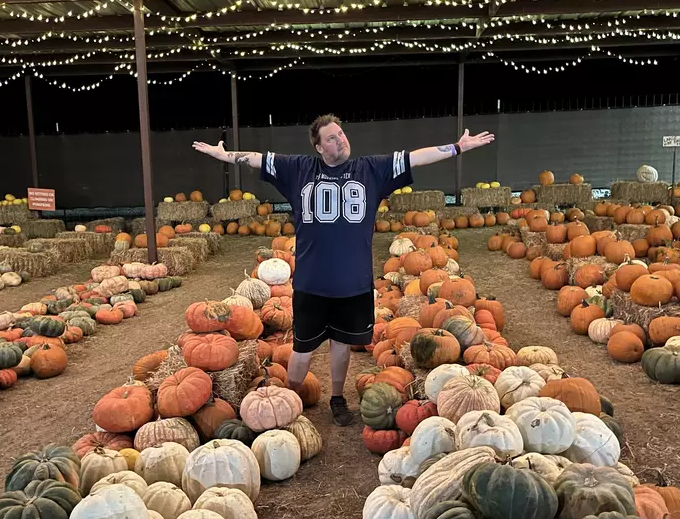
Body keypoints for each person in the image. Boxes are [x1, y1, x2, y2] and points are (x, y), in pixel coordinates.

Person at [193, 114, 495, 425]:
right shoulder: (300, 169)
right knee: (302, 348)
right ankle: (289, 399)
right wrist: (224, 155)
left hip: (354, 283)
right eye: (332, 138)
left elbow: (415, 158)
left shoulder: (370, 169)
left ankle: (337, 398)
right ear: (319, 147)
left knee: (342, 344)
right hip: (311, 283)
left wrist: (458, 147)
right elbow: (257, 159)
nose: (341, 140)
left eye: (341, 133)